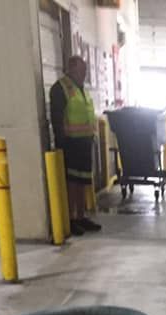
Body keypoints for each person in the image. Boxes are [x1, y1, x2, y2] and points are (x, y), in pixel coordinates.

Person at [50, 56, 101, 237]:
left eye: (85, 70)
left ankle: (81, 216)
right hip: (70, 143)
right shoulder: (60, 89)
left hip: (84, 142)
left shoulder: (81, 89)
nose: (84, 74)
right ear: (71, 68)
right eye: (82, 70)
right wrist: (61, 143)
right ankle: (71, 219)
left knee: (83, 182)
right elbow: (57, 118)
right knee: (72, 183)